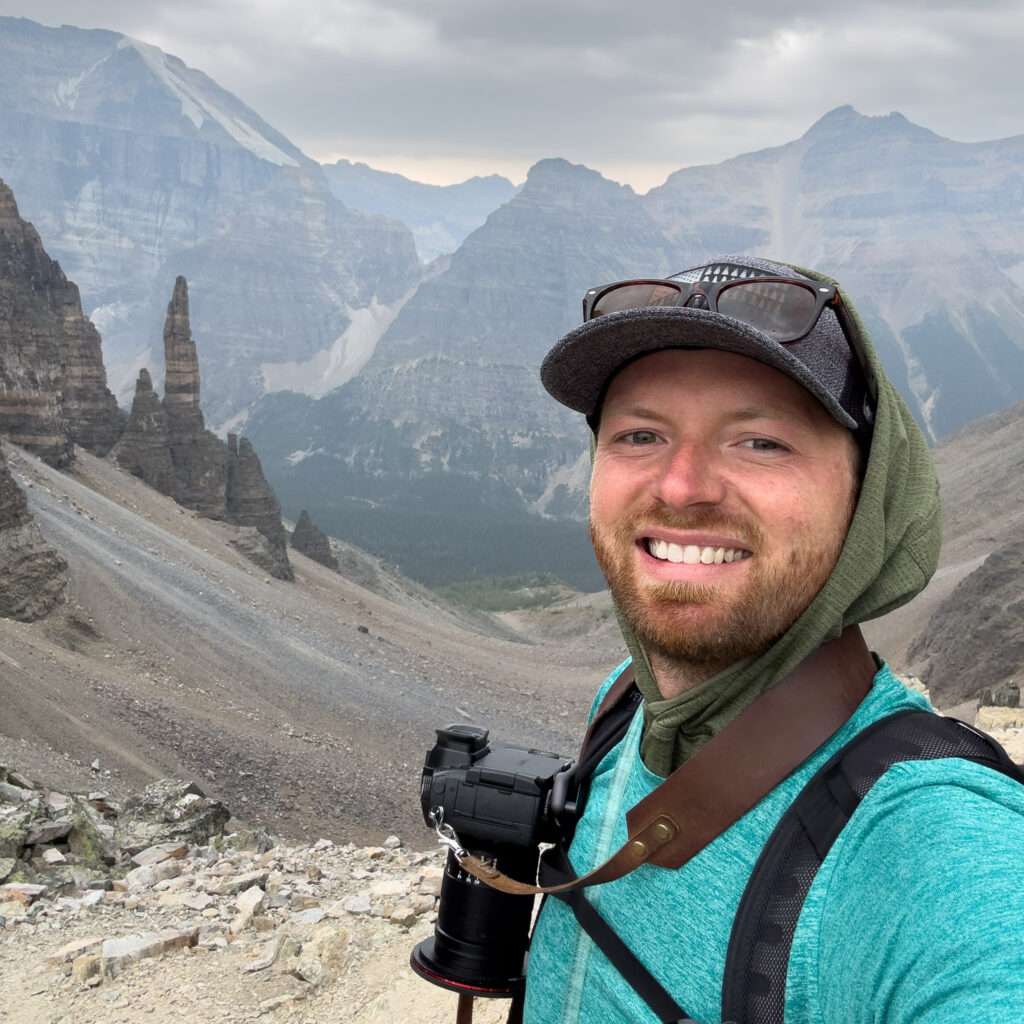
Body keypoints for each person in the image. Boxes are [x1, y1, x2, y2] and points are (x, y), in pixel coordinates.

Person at [521, 256, 1024, 1023]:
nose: (682, 486)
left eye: (760, 442)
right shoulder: (626, 701)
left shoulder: (934, 845)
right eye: (641, 434)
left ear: (867, 494)